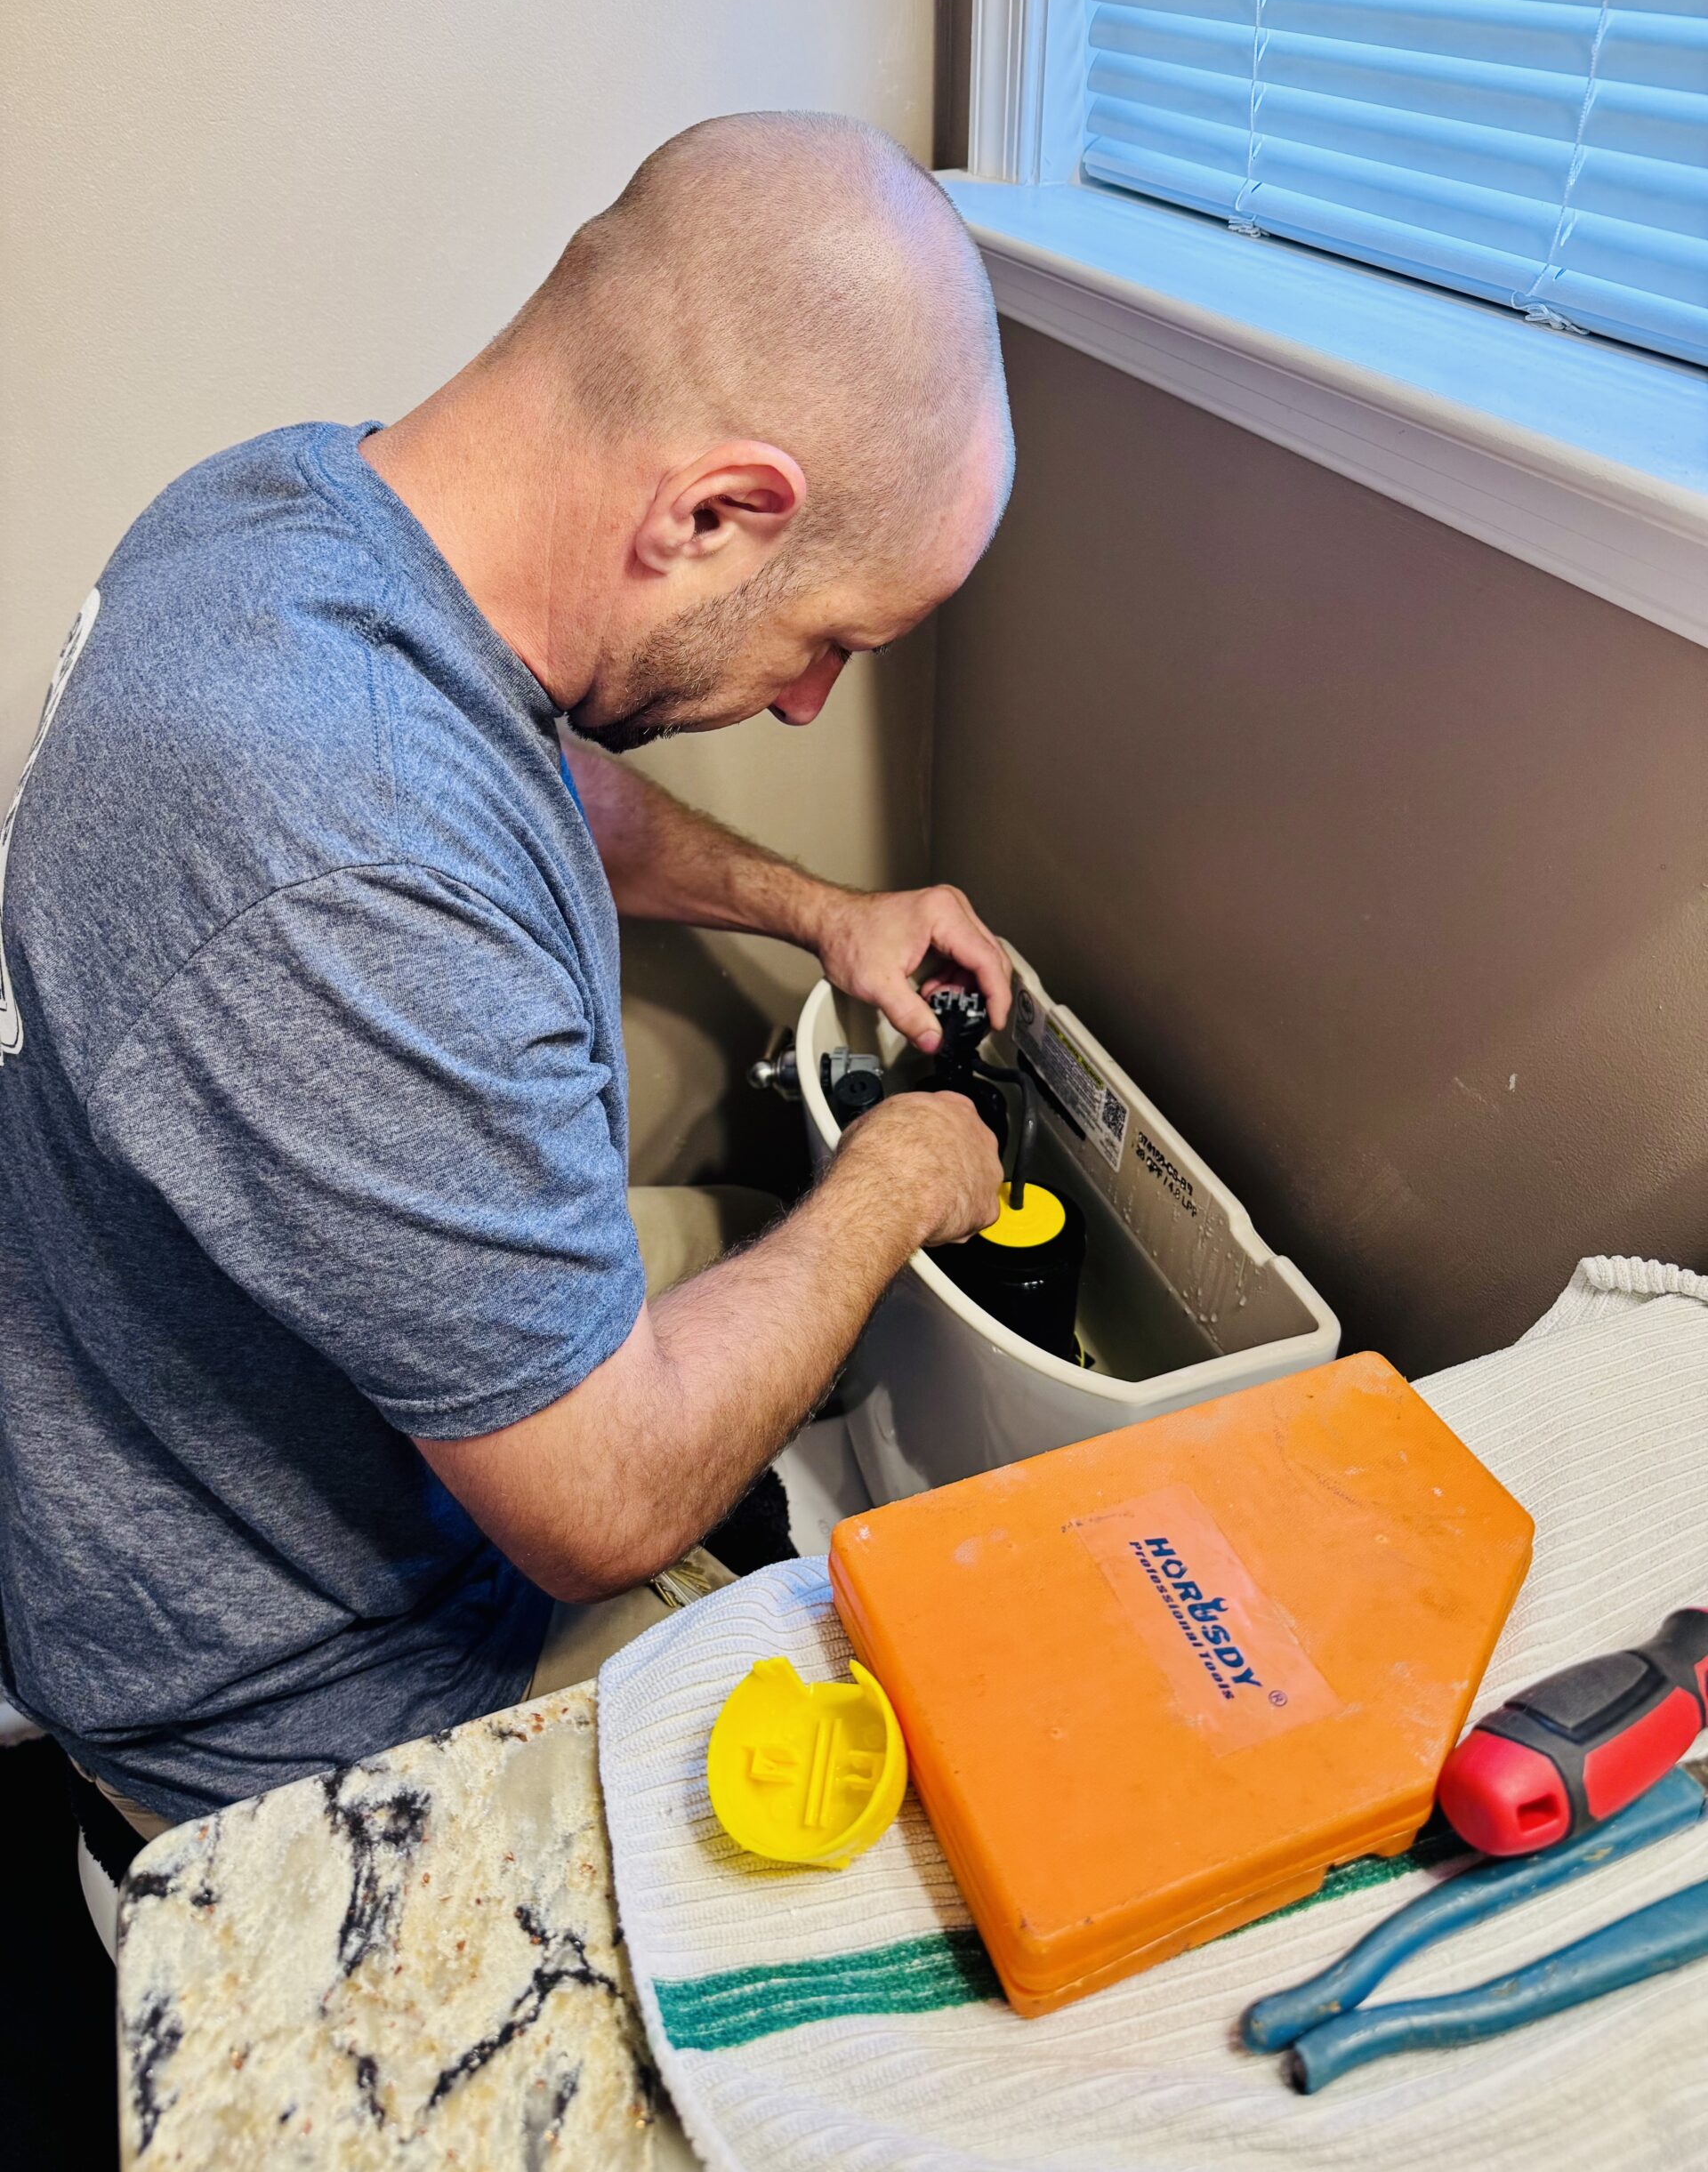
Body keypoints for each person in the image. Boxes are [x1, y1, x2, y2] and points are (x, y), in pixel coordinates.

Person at [0, 113, 1013, 1837]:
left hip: (182, 1438)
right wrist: (895, 1182)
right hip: (297, 1702)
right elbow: (605, 1496)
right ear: (714, 512)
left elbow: (540, 778)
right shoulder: (350, 839)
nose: (805, 702)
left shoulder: (302, 511)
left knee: (739, 1225)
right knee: (915, 1794)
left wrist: (823, 909)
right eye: (829, 636)